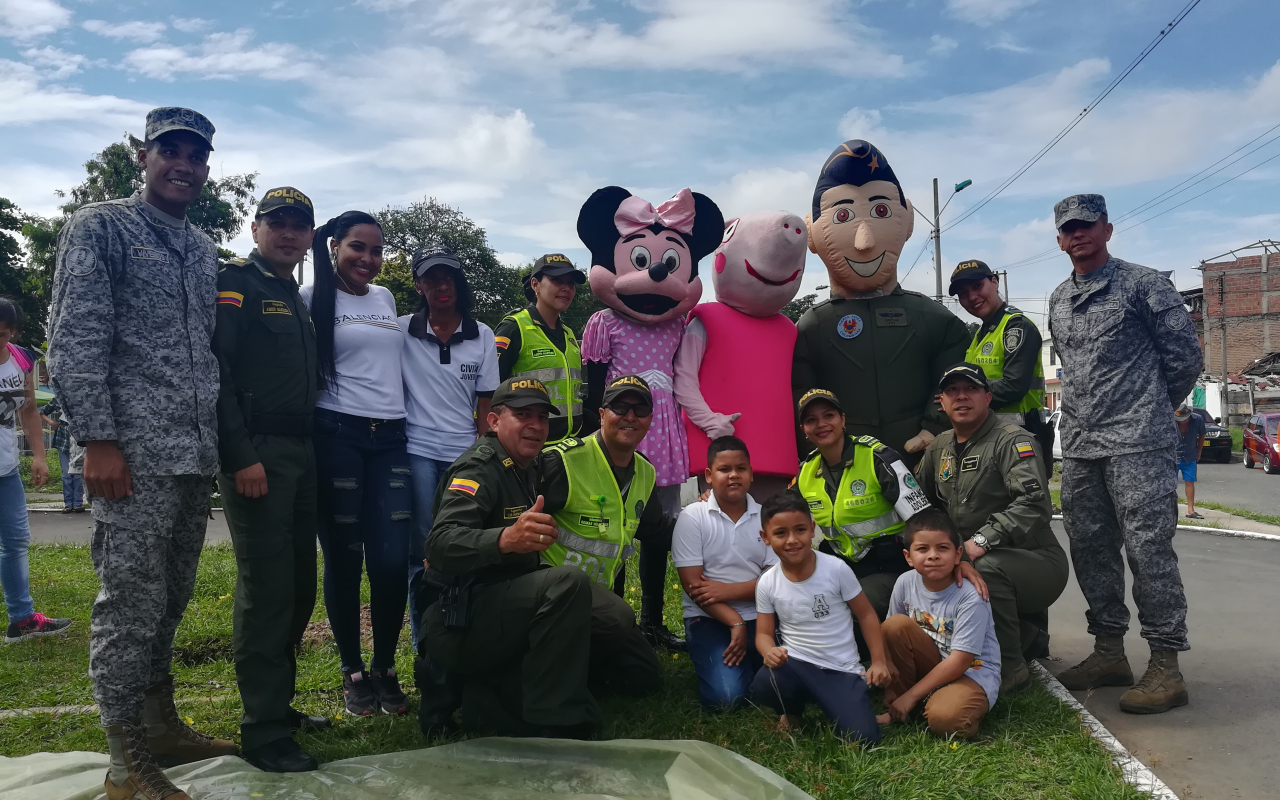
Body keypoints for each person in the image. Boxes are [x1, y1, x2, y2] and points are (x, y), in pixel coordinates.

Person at [47, 107, 236, 800]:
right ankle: (128, 763)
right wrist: (96, 438)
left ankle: (160, 727)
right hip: (128, 452)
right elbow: (75, 335)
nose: (183, 164)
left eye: (196, 154)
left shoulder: (203, 246)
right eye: (170, 151)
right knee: (128, 603)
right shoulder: (101, 227)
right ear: (143, 155)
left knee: (171, 597)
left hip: (191, 455)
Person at [1048, 194, 1202, 714]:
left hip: (1138, 441)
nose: (1078, 235)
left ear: (1107, 229)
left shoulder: (1144, 284)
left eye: (1087, 226)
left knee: (1148, 550)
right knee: (1090, 548)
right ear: (1060, 237)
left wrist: (1151, 410)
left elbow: (1184, 358)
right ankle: (1109, 651)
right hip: (1082, 446)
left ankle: (1165, 665)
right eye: (1069, 229)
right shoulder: (1058, 298)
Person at [213, 186, 325, 772]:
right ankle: (262, 730)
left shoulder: (293, 294)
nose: (287, 232)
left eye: (298, 225)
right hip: (258, 452)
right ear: (256, 229)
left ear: (310, 237)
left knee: (300, 586)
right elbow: (219, 371)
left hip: (301, 451)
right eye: (276, 222)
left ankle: (280, 708)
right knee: (265, 591)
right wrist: (239, 455)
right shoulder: (237, 283)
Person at [420, 377, 600, 739]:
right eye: (523, 415)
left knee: (611, 615)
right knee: (567, 583)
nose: (536, 426)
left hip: (504, 603)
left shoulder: (528, 464)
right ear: (494, 421)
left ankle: (511, 692)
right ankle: (553, 721)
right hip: (462, 617)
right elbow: (439, 544)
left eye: (542, 417)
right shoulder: (478, 470)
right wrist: (505, 539)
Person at [300, 211, 413, 718]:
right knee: (344, 558)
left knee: (390, 560)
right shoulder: (310, 299)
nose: (367, 259)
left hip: (390, 438)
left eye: (375, 250)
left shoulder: (386, 300)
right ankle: (353, 671)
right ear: (333, 248)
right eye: (357, 248)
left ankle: (386, 666)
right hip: (337, 435)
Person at [913, 363, 1068, 692]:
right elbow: (916, 504)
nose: (962, 396)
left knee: (984, 568)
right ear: (941, 401)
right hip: (970, 557)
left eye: (970, 389)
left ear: (988, 396)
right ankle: (999, 645)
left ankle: (1010, 668)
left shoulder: (1012, 441)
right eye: (952, 391)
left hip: (1035, 560)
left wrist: (974, 545)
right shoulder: (939, 447)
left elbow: (1033, 504)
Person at [536, 374, 669, 677]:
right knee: (619, 618)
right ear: (601, 413)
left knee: (645, 675)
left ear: (650, 419)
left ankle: (580, 664)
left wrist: (711, 515)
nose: (630, 416)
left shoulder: (645, 472)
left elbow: (657, 532)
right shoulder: (564, 461)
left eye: (641, 409)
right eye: (620, 406)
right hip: (550, 593)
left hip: (599, 600)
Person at [400, 247, 498, 648]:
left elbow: (486, 403)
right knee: (422, 547)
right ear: (419, 285)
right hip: (417, 449)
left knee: (464, 540)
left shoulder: (482, 334)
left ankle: (463, 634)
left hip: (463, 454)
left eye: (450, 278)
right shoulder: (401, 329)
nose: (443, 285)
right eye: (433, 278)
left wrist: (481, 451)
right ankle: (427, 644)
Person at [749, 491, 892, 743]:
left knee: (863, 738)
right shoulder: (767, 582)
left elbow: (867, 614)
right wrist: (768, 650)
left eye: (800, 530)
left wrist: (878, 661)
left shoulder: (835, 569)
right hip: (796, 663)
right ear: (766, 537)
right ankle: (792, 712)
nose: (792, 540)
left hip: (841, 669)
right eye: (781, 533)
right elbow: (762, 633)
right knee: (764, 683)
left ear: (813, 529)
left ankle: (845, 702)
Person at [790, 388, 942, 620]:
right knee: (802, 604)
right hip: (844, 570)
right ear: (804, 431)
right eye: (811, 420)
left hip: (892, 568)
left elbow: (922, 518)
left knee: (847, 608)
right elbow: (778, 512)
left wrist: (952, 564)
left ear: (842, 419)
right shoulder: (806, 471)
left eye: (828, 416)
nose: (821, 424)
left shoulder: (877, 458)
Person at [672, 435, 777, 709]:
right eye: (724, 469)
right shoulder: (693, 517)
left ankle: (757, 669)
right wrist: (735, 622)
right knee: (726, 698)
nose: (733, 476)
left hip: (762, 615)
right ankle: (740, 670)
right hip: (708, 618)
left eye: (741, 468)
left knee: (794, 681)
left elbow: (775, 581)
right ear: (709, 475)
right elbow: (694, 586)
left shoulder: (767, 516)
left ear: (751, 474)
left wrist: (728, 590)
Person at [880, 509, 1001, 739]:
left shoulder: (970, 595)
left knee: (945, 720)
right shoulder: (905, 582)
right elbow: (888, 635)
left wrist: (911, 696)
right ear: (908, 556)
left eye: (942, 548)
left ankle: (929, 704)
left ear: (958, 555)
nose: (933, 555)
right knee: (894, 625)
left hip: (970, 672)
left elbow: (961, 661)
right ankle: (907, 703)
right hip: (932, 663)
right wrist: (891, 688)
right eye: (922, 549)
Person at [1, 299, 72, 644]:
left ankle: (22, 620)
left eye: (1, 334)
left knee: (15, 541)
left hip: (6, 470)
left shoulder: (21, 359)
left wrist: (40, 457)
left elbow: (29, 410)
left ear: (12, 331)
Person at [948, 259, 1053, 473]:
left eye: (977, 286)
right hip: (991, 437)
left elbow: (1014, 386)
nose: (972, 297)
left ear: (995, 282)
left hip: (1020, 438)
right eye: (963, 293)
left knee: (1023, 505)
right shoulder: (981, 333)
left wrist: (959, 400)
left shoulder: (1015, 326)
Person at [494, 254, 586, 445]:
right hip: (527, 447)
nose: (566, 288)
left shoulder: (569, 335)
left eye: (571, 283)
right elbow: (490, 389)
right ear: (535, 285)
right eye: (556, 280)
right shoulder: (514, 327)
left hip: (570, 445)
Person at [39, 395, 84, 513]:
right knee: (67, 473)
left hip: (79, 436)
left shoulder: (81, 395)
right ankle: (69, 503)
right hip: (63, 437)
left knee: (79, 471)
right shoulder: (60, 397)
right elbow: (42, 412)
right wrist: (52, 423)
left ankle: (78, 503)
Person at [1174, 404, 1205, 520]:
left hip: (1190, 455)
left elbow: (1202, 434)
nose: (1182, 421)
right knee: (1170, 485)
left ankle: (1191, 510)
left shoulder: (1197, 419)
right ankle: (1171, 510)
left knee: (1190, 482)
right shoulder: (1169, 419)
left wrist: (1199, 451)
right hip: (1173, 456)